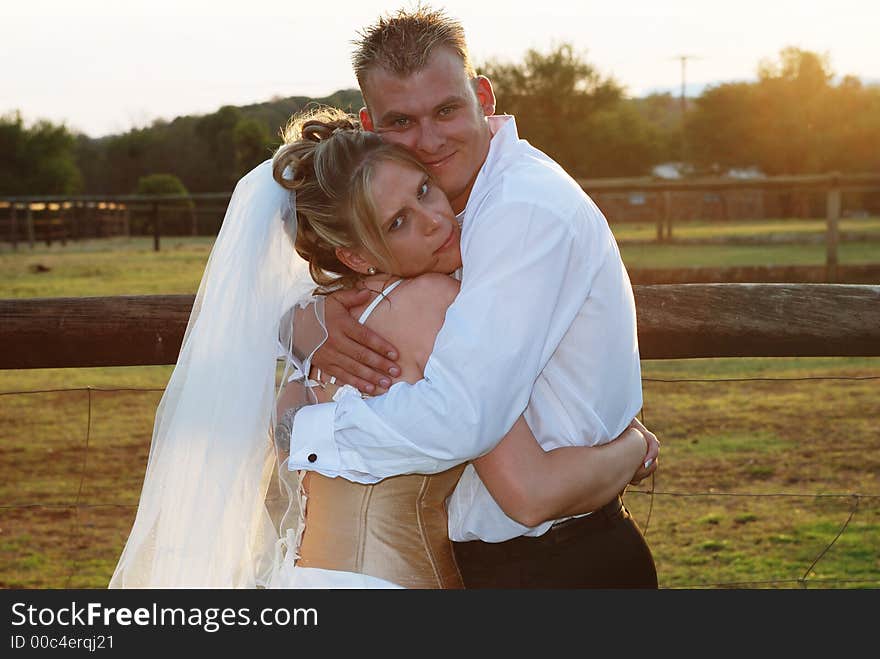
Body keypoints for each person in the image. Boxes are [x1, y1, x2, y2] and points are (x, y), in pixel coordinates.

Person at [108, 107, 655, 589]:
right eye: (398, 222)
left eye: (423, 189)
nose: (435, 219)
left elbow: (285, 449)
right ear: (359, 258)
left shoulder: (329, 321)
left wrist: (296, 320)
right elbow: (528, 491)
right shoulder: (435, 305)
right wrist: (633, 446)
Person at [286, 5, 659, 588]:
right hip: (467, 561)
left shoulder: (522, 211)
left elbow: (465, 422)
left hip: (556, 563)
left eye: (446, 109)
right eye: (401, 121)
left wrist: (304, 430)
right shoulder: (426, 224)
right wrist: (306, 321)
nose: (429, 141)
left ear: (483, 96)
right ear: (368, 124)